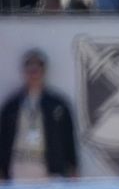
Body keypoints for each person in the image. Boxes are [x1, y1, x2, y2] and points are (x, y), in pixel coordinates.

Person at [0, 49, 78, 181]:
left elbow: (68, 137)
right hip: (18, 168)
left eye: (37, 70)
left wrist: (73, 167)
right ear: (24, 72)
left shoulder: (57, 104)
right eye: (30, 70)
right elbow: (3, 138)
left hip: (49, 170)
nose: (34, 74)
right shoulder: (11, 105)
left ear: (44, 72)